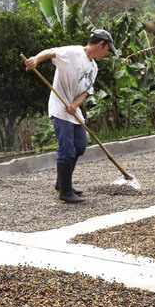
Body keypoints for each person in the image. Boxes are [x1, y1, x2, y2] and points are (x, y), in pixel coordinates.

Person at [24, 29, 117, 203]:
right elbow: (50, 52)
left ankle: (62, 183)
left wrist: (75, 105)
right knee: (67, 150)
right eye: (107, 50)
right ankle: (65, 193)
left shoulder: (94, 67)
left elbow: (86, 92)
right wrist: (36, 59)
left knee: (80, 146)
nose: (107, 54)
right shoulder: (73, 52)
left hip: (73, 111)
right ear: (101, 44)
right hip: (59, 108)